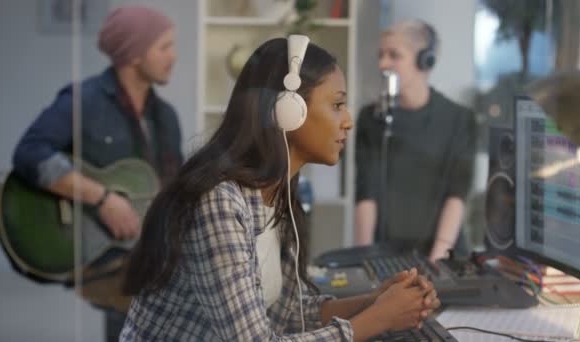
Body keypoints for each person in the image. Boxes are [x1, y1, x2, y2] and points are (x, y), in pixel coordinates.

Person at [120, 36, 440, 341]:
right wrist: (380, 318)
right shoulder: (218, 201)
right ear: (288, 110)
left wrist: (376, 301)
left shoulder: (276, 194)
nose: (347, 121)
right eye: (336, 105)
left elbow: (293, 314)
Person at [12, 5, 182, 340]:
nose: (173, 56)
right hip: (102, 256)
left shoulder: (166, 117)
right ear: (133, 54)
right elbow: (29, 153)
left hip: (150, 255)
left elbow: (173, 193)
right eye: (164, 47)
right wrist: (103, 199)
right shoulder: (84, 100)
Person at [354, 19, 476, 262]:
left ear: (424, 60)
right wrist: (362, 259)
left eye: (394, 55)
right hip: (386, 257)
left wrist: (437, 262)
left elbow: (457, 195)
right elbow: (366, 194)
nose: (382, 64)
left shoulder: (460, 119)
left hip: (443, 256)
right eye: (381, 55)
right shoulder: (371, 118)